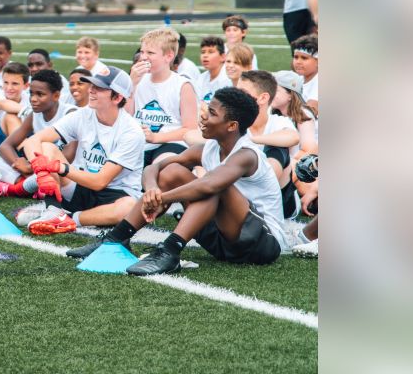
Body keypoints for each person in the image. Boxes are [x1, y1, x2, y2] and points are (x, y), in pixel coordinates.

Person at [68, 87, 289, 274]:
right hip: (223, 240)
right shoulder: (209, 148)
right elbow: (154, 167)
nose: (203, 117)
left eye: (211, 113)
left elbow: (209, 185)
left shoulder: (246, 154)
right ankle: (116, 238)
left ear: (231, 126)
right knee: (172, 171)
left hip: (262, 244)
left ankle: (169, 251)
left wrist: (161, 198)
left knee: (213, 186)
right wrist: (153, 190)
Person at [17, 68, 144, 234]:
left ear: (118, 97)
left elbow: (100, 182)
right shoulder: (83, 115)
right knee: (47, 147)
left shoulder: (131, 132)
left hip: (115, 194)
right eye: (91, 85)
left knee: (129, 208)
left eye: (99, 88)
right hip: (81, 188)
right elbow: (33, 141)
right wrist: (40, 170)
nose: (90, 90)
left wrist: (60, 168)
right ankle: (53, 211)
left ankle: (70, 219)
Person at [129, 28, 200, 166]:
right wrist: (130, 86)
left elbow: (190, 129)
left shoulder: (183, 85)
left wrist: (156, 137)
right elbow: (125, 116)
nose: (143, 57)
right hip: (140, 142)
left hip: (171, 143)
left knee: (163, 168)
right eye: (142, 52)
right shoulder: (138, 80)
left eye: (150, 53)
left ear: (168, 56)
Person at [236, 70, 302, 219]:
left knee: (277, 148)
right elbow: (191, 136)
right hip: (242, 195)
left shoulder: (278, 122)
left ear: (263, 98)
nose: (236, 96)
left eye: (242, 92)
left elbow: (293, 137)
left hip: (280, 203)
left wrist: (247, 140)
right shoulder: (234, 121)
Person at [0, 69, 77, 187]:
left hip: (67, 173)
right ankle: (27, 183)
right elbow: (5, 146)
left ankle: (23, 185)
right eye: (31, 93)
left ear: (56, 96)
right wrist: (18, 163)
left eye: (40, 94)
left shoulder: (70, 114)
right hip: (41, 169)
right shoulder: (35, 114)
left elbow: (68, 157)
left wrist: (30, 167)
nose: (33, 99)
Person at [196, 35, 230, 104]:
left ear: (223, 57)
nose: (205, 55)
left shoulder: (228, 79)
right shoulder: (201, 78)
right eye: (203, 52)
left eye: (211, 52)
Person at [290, 34, 319, 115]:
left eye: (304, 58)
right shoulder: (298, 78)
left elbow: (310, 112)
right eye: (296, 57)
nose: (298, 62)